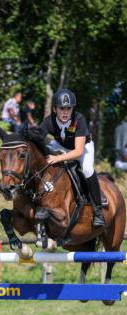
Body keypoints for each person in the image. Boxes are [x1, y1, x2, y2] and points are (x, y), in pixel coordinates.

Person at [39, 88, 105, 228]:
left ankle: (98, 211)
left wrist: (57, 159)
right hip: (60, 145)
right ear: (55, 109)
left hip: (83, 147)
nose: (65, 112)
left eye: (68, 108)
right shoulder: (49, 120)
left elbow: (78, 151)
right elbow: (37, 138)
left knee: (87, 169)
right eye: (61, 108)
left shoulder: (78, 119)